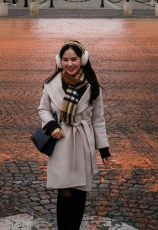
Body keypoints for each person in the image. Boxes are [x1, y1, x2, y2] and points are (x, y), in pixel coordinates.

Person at [38, 41, 110, 230]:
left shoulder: (92, 86)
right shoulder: (51, 85)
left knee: (79, 192)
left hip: (82, 142)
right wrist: (52, 126)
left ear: (83, 60)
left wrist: (103, 148)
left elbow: (98, 119)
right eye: (65, 59)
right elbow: (43, 109)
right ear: (59, 61)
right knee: (64, 192)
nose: (70, 64)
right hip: (61, 142)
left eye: (74, 59)